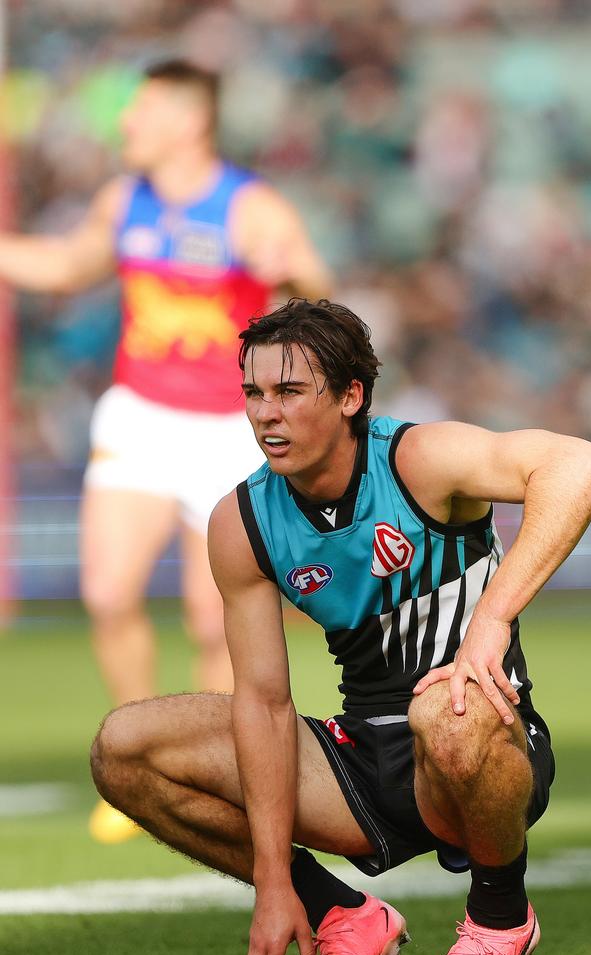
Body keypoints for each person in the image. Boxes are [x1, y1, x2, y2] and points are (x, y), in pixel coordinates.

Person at [90, 299, 591, 955]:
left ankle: (499, 921)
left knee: (447, 714)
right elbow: (266, 705)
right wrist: (276, 883)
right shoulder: (242, 522)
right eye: (253, 392)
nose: (264, 414)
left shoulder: (418, 460)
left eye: (288, 391)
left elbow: (582, 465)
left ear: (349, 396)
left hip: (485, 738)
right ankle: (344, 915)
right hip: (362, 762)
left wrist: (493, 616)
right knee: (124, 746)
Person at [0, 61, 330, 841]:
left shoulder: (248, 205)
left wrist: (293, 267)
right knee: (110, 594)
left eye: (139, 112)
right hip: (139, 418)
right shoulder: (125, 201)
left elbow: (315, 278)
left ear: (188, 121)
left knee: (212, 625)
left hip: (224, 429)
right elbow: (64, 266)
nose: (127, 127)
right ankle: (135, 764)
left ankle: (211, 770)